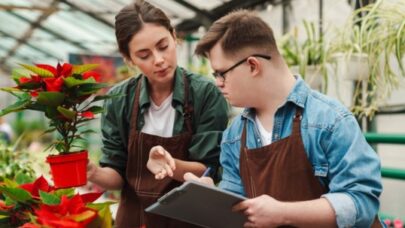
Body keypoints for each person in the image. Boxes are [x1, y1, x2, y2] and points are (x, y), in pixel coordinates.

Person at [184, 10, 383, 228]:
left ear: (253, 65)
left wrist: (283, 213)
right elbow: (238, 212)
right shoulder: (233, 136)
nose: (218, 83)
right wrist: (212, 197)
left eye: (221, 73)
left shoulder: (329, 120)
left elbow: (361, 202)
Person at [86, 1, 228, 227]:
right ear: (129, 58)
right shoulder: (119, 100)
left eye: (163, 46)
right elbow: (117, 175)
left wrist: (171, 164)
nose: (159, 60)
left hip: (188, 219)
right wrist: (93, 173)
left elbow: (208, 168)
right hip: (134, 218)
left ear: (174, 36)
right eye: (144, 55)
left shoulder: (205, 94)